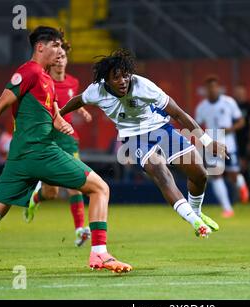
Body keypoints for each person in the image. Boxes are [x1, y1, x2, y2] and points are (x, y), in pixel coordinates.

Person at [0, 26, 131, 273]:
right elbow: (1, 103)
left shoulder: (47, 80)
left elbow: (54, 114)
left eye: (61, 46)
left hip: (19, 159)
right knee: (100, 188)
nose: (59, 50)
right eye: (55, 45)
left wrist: (61, 121)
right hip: (40, 151)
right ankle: (100, 254)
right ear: (40, 47)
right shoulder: (29, 71)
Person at [60, 49, 227, 238]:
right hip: (134, 138)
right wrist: (58, 115)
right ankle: (194, 222)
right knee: (161, 173)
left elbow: (178, 113)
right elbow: (77, 100)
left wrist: (206, 141)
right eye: (116, 77)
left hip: (161, 128)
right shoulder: (96, 91)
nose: (123, 81)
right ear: (106, 80)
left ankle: (195, 212)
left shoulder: (143, 86)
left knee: (200, 174)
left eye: (125, 76)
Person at [24, 43, 94, 247]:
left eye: (64, 56)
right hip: (48, 138)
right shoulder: (43, 82)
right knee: (52, 193)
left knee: (77, 184)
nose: (61, 60)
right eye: (58, 56)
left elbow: (72, 102)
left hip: (68, 139)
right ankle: (36, 198)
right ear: (52, 60)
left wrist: (82, 111)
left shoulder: (73, 81)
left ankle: (80, 229)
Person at [195, 76, 249, 218]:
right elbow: (197, 126)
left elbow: (241, 121)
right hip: (212, 146)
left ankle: (241, 183)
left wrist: (230, 129)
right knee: (216, 176)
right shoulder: (202, 107)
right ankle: (227, 208)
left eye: (214, 87)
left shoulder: (228, 102)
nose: (212, 90)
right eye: (209, 88)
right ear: (206, 90)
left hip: (229, 145)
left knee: (233, 176)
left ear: (218, 88)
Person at [233, 84, 250, 200]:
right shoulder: (232, 105)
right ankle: (238, 195)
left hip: (244, 140)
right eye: (237, 92)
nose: (239, 94)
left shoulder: (249, 106)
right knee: (234, 169)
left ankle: (248, 195)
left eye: (240, 92)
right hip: (232, 140)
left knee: (243, 167)